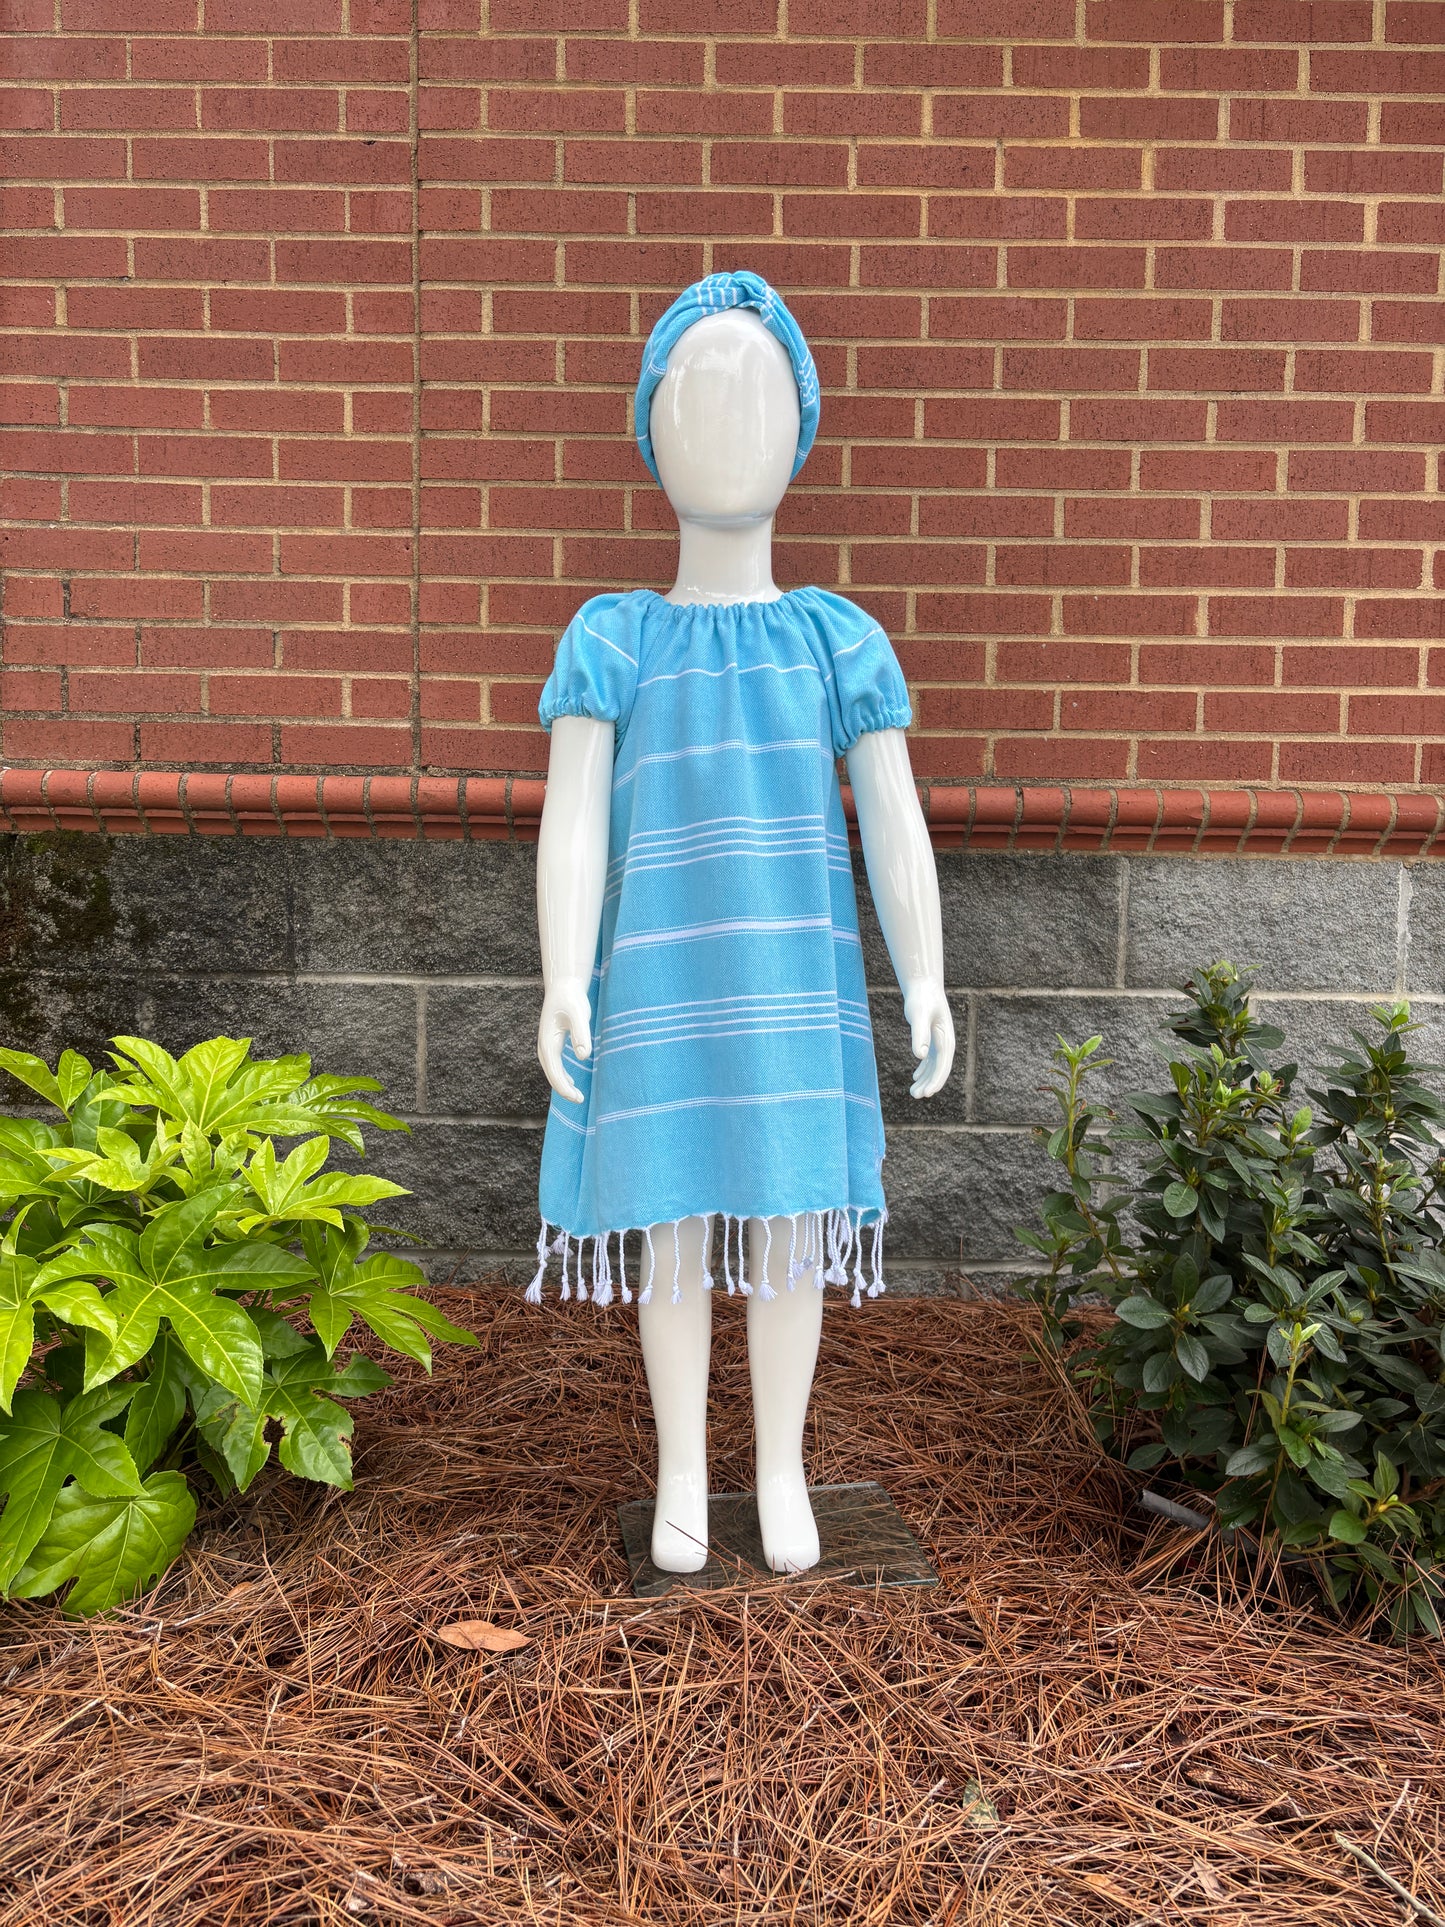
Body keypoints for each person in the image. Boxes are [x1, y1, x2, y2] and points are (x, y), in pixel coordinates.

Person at [530, 272, 954, 1575]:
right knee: (668, 1227)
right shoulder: (614, 640)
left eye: (755, 396)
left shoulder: (836, 642)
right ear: (648, 428)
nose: (724, 423)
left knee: (782, 1227)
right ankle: (674, 1479)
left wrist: (924, 977)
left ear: (802, 427)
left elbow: (894, 819)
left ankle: (775, 1473)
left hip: (790, 986)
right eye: (695, 397)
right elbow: (574, 820)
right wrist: (560, 978)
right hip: (659, 980)